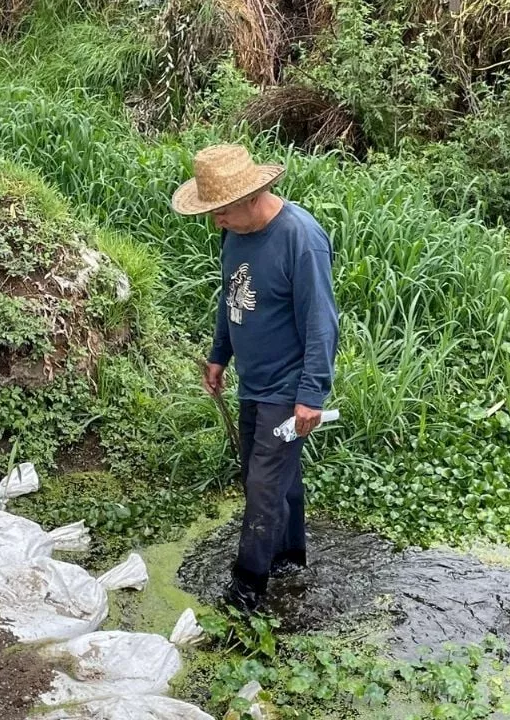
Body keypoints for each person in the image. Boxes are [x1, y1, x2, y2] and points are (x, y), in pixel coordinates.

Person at [171, 143, 339, 614]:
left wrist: (311, 395)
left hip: (288, 389)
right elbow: (232, 297)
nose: (215, 223)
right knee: (276, 480)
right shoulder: (235, 234)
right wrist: (219, 354)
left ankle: (245, 593)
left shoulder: (299, 239)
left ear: (252, 196)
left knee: (261, 487)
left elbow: (322, 323)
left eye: (221, 212)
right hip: (254, 381)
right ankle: (289, 558)